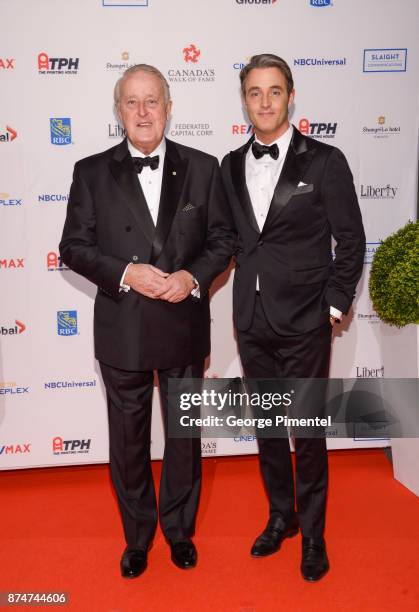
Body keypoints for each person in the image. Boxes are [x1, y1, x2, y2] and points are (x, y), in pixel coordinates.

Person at [59, 64, 234, 578]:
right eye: (131, 102)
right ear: (118, 111)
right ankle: (138, 537)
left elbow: (223, 240)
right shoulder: (90, 171)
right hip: (123, 327)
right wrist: (127, 273)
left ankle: (179, 530)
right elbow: (73, 246)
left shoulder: (204, 167)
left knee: (184, 437)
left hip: (183, 324)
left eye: (151, 100)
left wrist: (191, 278)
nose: (142, 112)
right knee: (129, 441)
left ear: (169, 107)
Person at [221, 54, 365, 581]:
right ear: (244, 100)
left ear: (290, 95)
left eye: (274, 91)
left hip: (306, 320)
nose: (264, 102)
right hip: (251, 319)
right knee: (266, 429)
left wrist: (333, 304)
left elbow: (350, 240)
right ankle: (281, 515)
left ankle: (315, 535)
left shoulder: (325, 160)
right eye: (255, 92)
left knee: (305, 432)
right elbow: (227, 241)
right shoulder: (229, 163)